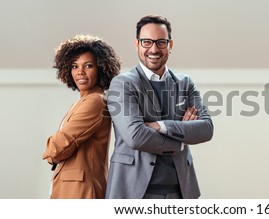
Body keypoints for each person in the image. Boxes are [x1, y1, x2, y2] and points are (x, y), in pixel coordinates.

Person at [105, 14, 213, 199]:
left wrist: (159, 126)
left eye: (161, 42)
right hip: (134, 193)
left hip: (181, 193)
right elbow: (135, 136)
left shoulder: (185, 83)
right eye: (147, 42)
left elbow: (206, 129)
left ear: (170, 45)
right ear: (137, 44)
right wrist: (181, 139)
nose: (154, 49)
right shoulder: (122, 84)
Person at [42, 34, 121, 198]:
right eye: (74, 66)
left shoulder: (94, 102)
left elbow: (58, 147)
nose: (80, 72)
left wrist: (50, 148)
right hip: (72, 186)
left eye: (88, 66)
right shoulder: (83, 101)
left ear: (101, 68)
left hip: (81, 189)